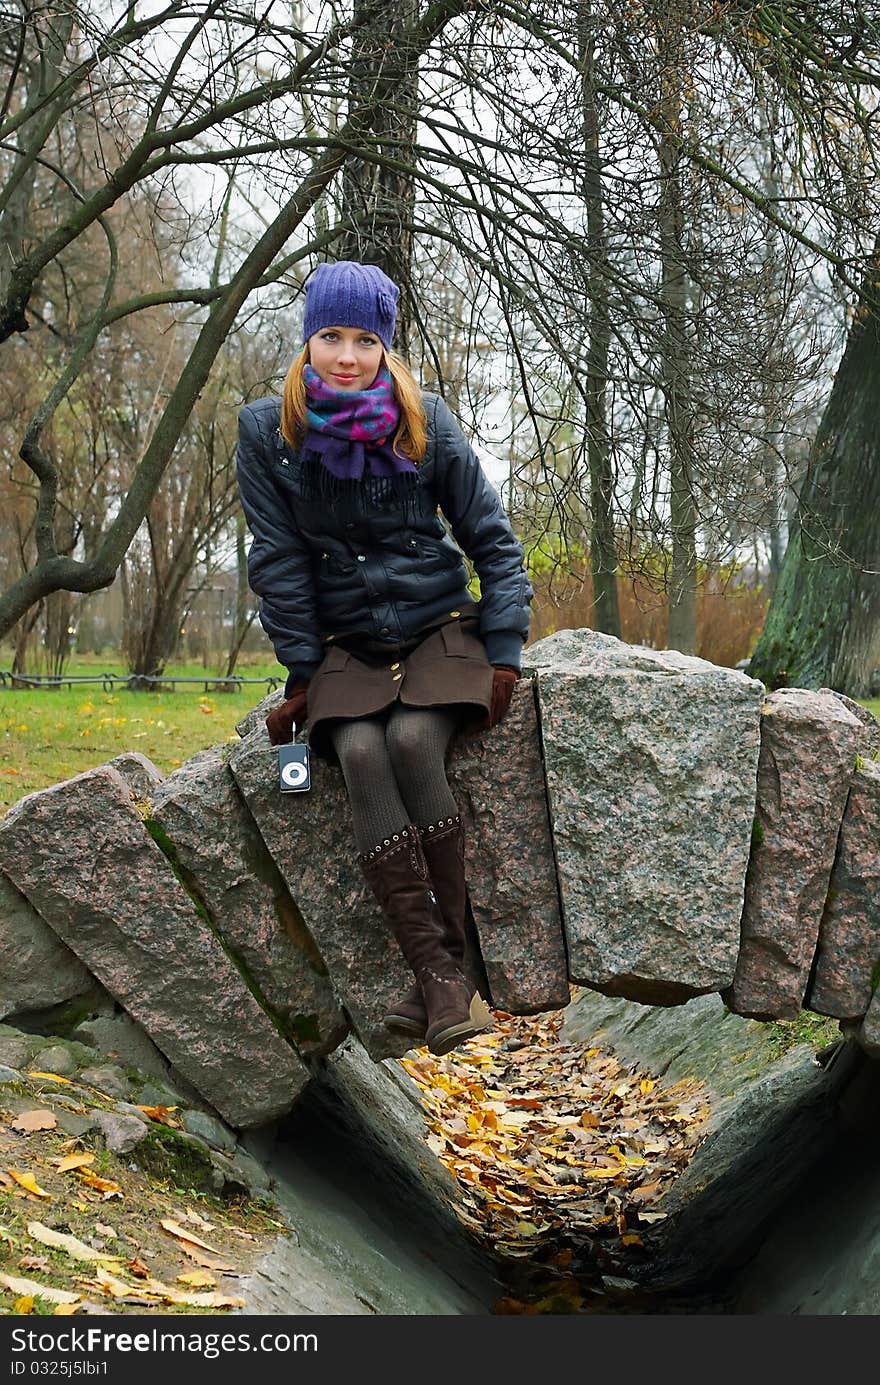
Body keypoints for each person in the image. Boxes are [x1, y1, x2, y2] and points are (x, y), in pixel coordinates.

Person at [235, 260, 533, 1057]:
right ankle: (442, 975)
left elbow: (493, 545)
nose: (345, 355)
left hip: (441, 630)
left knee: (409, 740)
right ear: (307, 338)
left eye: (364, 339)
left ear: (384, 345)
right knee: (362, 748)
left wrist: (502, 653)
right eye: (330, 335)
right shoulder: (268, 433)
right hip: (346, 649)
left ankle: (441, 978)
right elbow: (279, 564)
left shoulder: (425, 419)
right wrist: (302, 672)